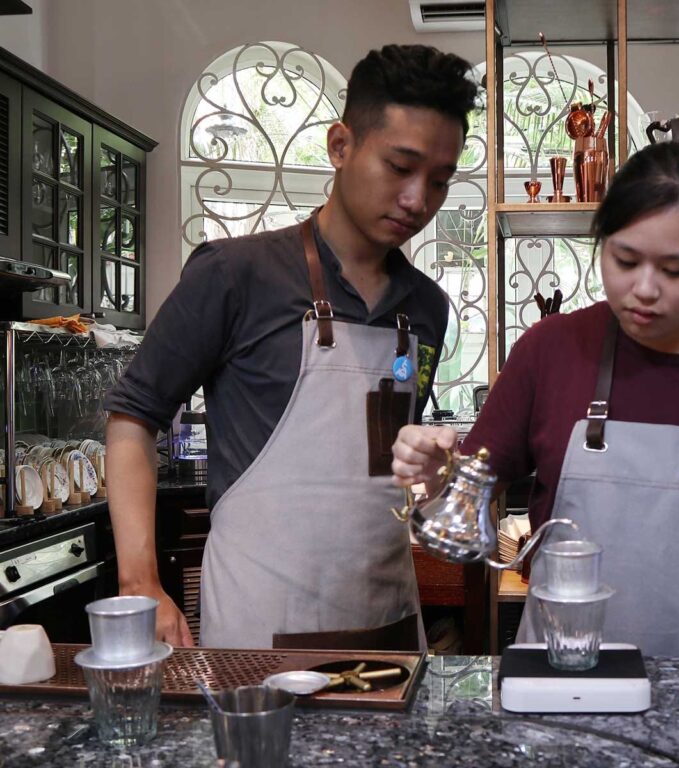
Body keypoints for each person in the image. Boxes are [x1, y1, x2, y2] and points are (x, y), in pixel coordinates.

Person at [392, 142, 679, 675]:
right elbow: (472, 485)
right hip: (556, 676)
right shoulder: (549, 350)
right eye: (625, 260)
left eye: (675, 270)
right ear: (601, 242)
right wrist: (434, 466)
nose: (644, 290)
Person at [104, 44, 479, 650]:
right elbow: (132, 418)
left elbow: (391, 471)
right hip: (258, 629)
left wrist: (437, 481)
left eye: (439, 181)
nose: (418, 200)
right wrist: (141, 580)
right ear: (340, 146)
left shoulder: (428, 309)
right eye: (400, 167)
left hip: (387, 626)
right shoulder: (235, 274)